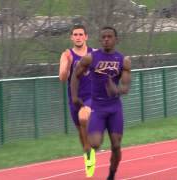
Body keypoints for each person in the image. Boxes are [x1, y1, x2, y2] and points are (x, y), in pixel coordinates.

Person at [71, 26, 131, 180]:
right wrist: (74, 96)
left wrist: (115, 90)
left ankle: (111, 175)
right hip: (98, 106)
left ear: (116, 39)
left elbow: (125, 87)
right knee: (95, 144)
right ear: (100, 40)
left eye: (109, 37)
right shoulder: (91, 58)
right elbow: (75, 75)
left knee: (116, 146)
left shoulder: (123, 60)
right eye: (103, 37)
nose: (106, 39)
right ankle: (93, 130)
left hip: (114, 108)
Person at [58, 24, 96, 177]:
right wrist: (66, 67)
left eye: (81, 34)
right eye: (75, 34)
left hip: (91, 97)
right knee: (81, 132)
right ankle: (88, 153)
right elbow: (62, 78)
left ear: (86, 37)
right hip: (74, 98)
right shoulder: (67, 55)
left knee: (84, 116)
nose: (78, 37)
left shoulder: (94, 53)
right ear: (71, 37)